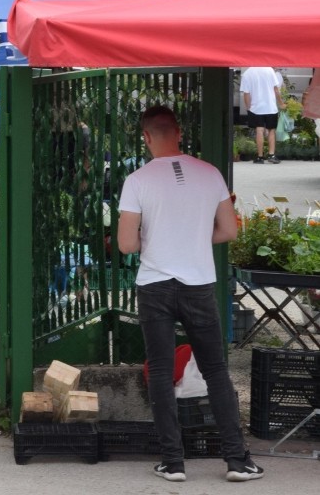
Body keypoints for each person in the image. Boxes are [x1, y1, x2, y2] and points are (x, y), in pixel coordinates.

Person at [117, 105, 263, 483]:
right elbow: (229, 231)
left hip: (155, 286)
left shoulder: (137, 180)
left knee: (162, 372)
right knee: (215, 370)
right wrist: (195, 237)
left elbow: (126, 245)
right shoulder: (210, 173)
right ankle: (237, 461)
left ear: (146, 137)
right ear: (179, 132)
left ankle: (173, 462)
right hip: (198, 283)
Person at [239, 67, 284, 164]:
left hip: (255, 107)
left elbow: (246, 93)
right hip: (270, 106)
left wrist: (248, 107)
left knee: (259, 130)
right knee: (271, 130)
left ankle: (260, 157)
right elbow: (276, 89)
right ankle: (271, 155)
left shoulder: (247, 73)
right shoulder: (269, 70)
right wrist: (281, 103)